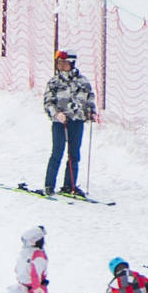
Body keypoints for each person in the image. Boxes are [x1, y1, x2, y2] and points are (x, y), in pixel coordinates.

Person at [38, 51, 95, 197]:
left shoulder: (82, 82)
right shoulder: (54, 82)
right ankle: (49, 185)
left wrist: (91, 111)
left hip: (77, 121)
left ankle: (69, 185)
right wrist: (56, 114)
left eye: (64, 63)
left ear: (71, 63)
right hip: (60, 123)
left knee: (74, 154)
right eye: (59, 63)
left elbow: (89, 98)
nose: (61, 66)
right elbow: (48, 102)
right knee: (57, 152)